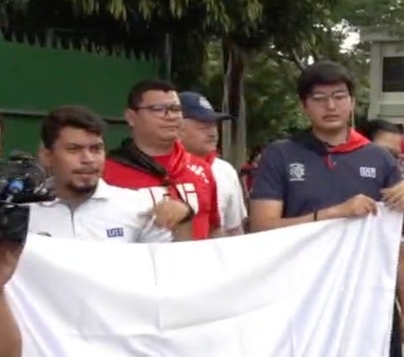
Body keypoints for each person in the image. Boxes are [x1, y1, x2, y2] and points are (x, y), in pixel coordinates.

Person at [249, 62, 404, 357]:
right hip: (298, 302)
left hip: (369, 304)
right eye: (319, 98)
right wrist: (334, 213)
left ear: (352, 102)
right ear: (304, 105)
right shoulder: (281, 155)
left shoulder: (378, 159)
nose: (330, 106)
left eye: (339, 97)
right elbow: (261, 227)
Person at [30, 106, 188, 242]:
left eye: (96, 149)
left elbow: (167, 264)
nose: (88, 159)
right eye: (74, 149)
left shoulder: (138, 207)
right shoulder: (22, 211)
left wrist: (183, 220)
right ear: (47, 156)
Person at [104, 79, 221, 240]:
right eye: (158, 109)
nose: (171, 116)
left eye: (176, 109)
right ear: (131, 117)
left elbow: (214, 229)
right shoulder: (106, 172)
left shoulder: (202, 169)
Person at [362, 118, 404, 346]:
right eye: (385, 153)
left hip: (379, 307)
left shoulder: (393, 197)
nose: (390, 162)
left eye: (396, 156)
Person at [177, 92, 247, 236]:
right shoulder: (158, 170)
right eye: (203, 127)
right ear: (177, 129)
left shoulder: (225, 170)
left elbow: (233, 229)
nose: (212, 133)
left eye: (214, 126)